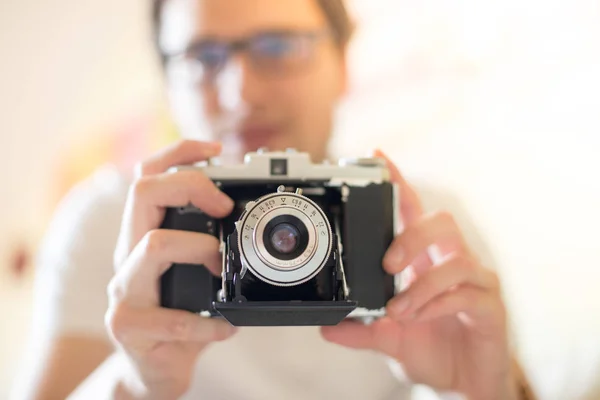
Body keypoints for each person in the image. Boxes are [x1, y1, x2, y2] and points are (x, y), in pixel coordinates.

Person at [11, 0, 536, 399]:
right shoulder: (113, 220)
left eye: (280, 47)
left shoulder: (421, 227)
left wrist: (482, 390)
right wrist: (136, 381)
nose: (243, 92)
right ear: (168, 84)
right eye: (203, 57)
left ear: (343, 61)